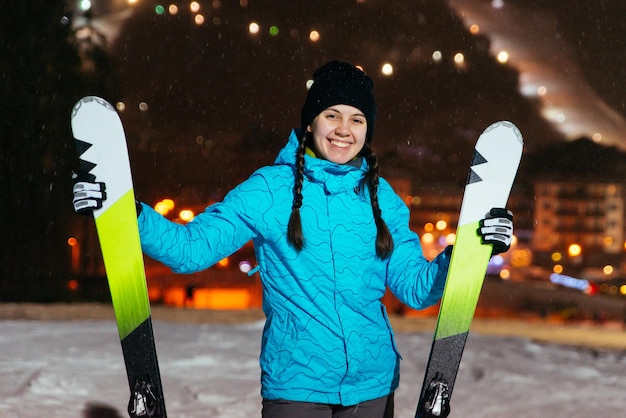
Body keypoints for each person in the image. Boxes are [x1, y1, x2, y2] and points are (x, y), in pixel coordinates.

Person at [73, 60, 514, 418]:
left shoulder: (383, 198)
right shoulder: (270, 190)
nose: (344, 129)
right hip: (297, 388)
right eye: (332, 115)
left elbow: (414, 288)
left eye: (357, 119)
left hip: (373, 386)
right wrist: (126, 215)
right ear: (310, 122)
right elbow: (192, 250)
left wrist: (468, 253)